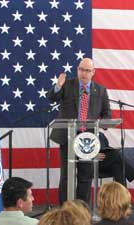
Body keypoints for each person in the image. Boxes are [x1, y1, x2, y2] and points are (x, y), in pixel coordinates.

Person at [48, 58, 111, 204]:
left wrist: (102, 123)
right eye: (81, 69)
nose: (83, 73)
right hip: (67, 137)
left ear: (93, 72)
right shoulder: (68, 85)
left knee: (85, 176)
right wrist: (58, 86)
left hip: (88, 139)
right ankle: (65, 210)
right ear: (77, 70)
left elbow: (107, 114)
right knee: (67, 175)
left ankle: (81, 211)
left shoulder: (100, 90)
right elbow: (52, 98)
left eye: (87, 70)